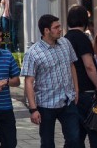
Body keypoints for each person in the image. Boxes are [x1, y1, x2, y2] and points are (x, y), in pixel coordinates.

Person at [22, 14, 80, 148]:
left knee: (74, 138)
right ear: (46, 30)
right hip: (46, 103)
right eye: (56, 27)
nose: (60, 29)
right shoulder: (33, 53)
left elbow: (72, 65)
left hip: (67, 100)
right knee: (47, 142)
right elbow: (29, 81)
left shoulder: (65, 43)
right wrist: (33, 109)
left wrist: (76, 89)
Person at [64, 5, 97, 147]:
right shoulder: (82, 38)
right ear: (84, 20)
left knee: (75, 135)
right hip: (86, 91)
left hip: (70, 92)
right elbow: (89, 65)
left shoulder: (64, 39)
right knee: (95, 134)